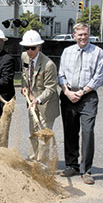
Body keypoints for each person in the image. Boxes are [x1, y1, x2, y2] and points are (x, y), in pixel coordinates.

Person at [58, 23, 103, 185]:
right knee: (70, 131)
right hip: (68, 95)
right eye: (80, 35)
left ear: (89, 34)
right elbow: (61, 74)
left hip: (88, 97)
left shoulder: (98, 52)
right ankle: (72, 165)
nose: (83, 37)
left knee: (87, 131)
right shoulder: (67, 52)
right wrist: (67, 91)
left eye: (85, 34)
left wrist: (82, 92)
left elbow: (98, 77)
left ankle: (86, 170)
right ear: (74, 36)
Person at [19, 30, 60, 165]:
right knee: (33, 133)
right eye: (27, 48)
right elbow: (25, 76)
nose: (29, 51)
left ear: (39, 47)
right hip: (31, 103)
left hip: (45, 105)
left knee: (43, 136)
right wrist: (25, 87)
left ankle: (42, 164)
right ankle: (32, 160)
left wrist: (38, 99)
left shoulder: (49, 65)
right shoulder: (24, 57)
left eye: (32, 48)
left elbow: (51, 88)